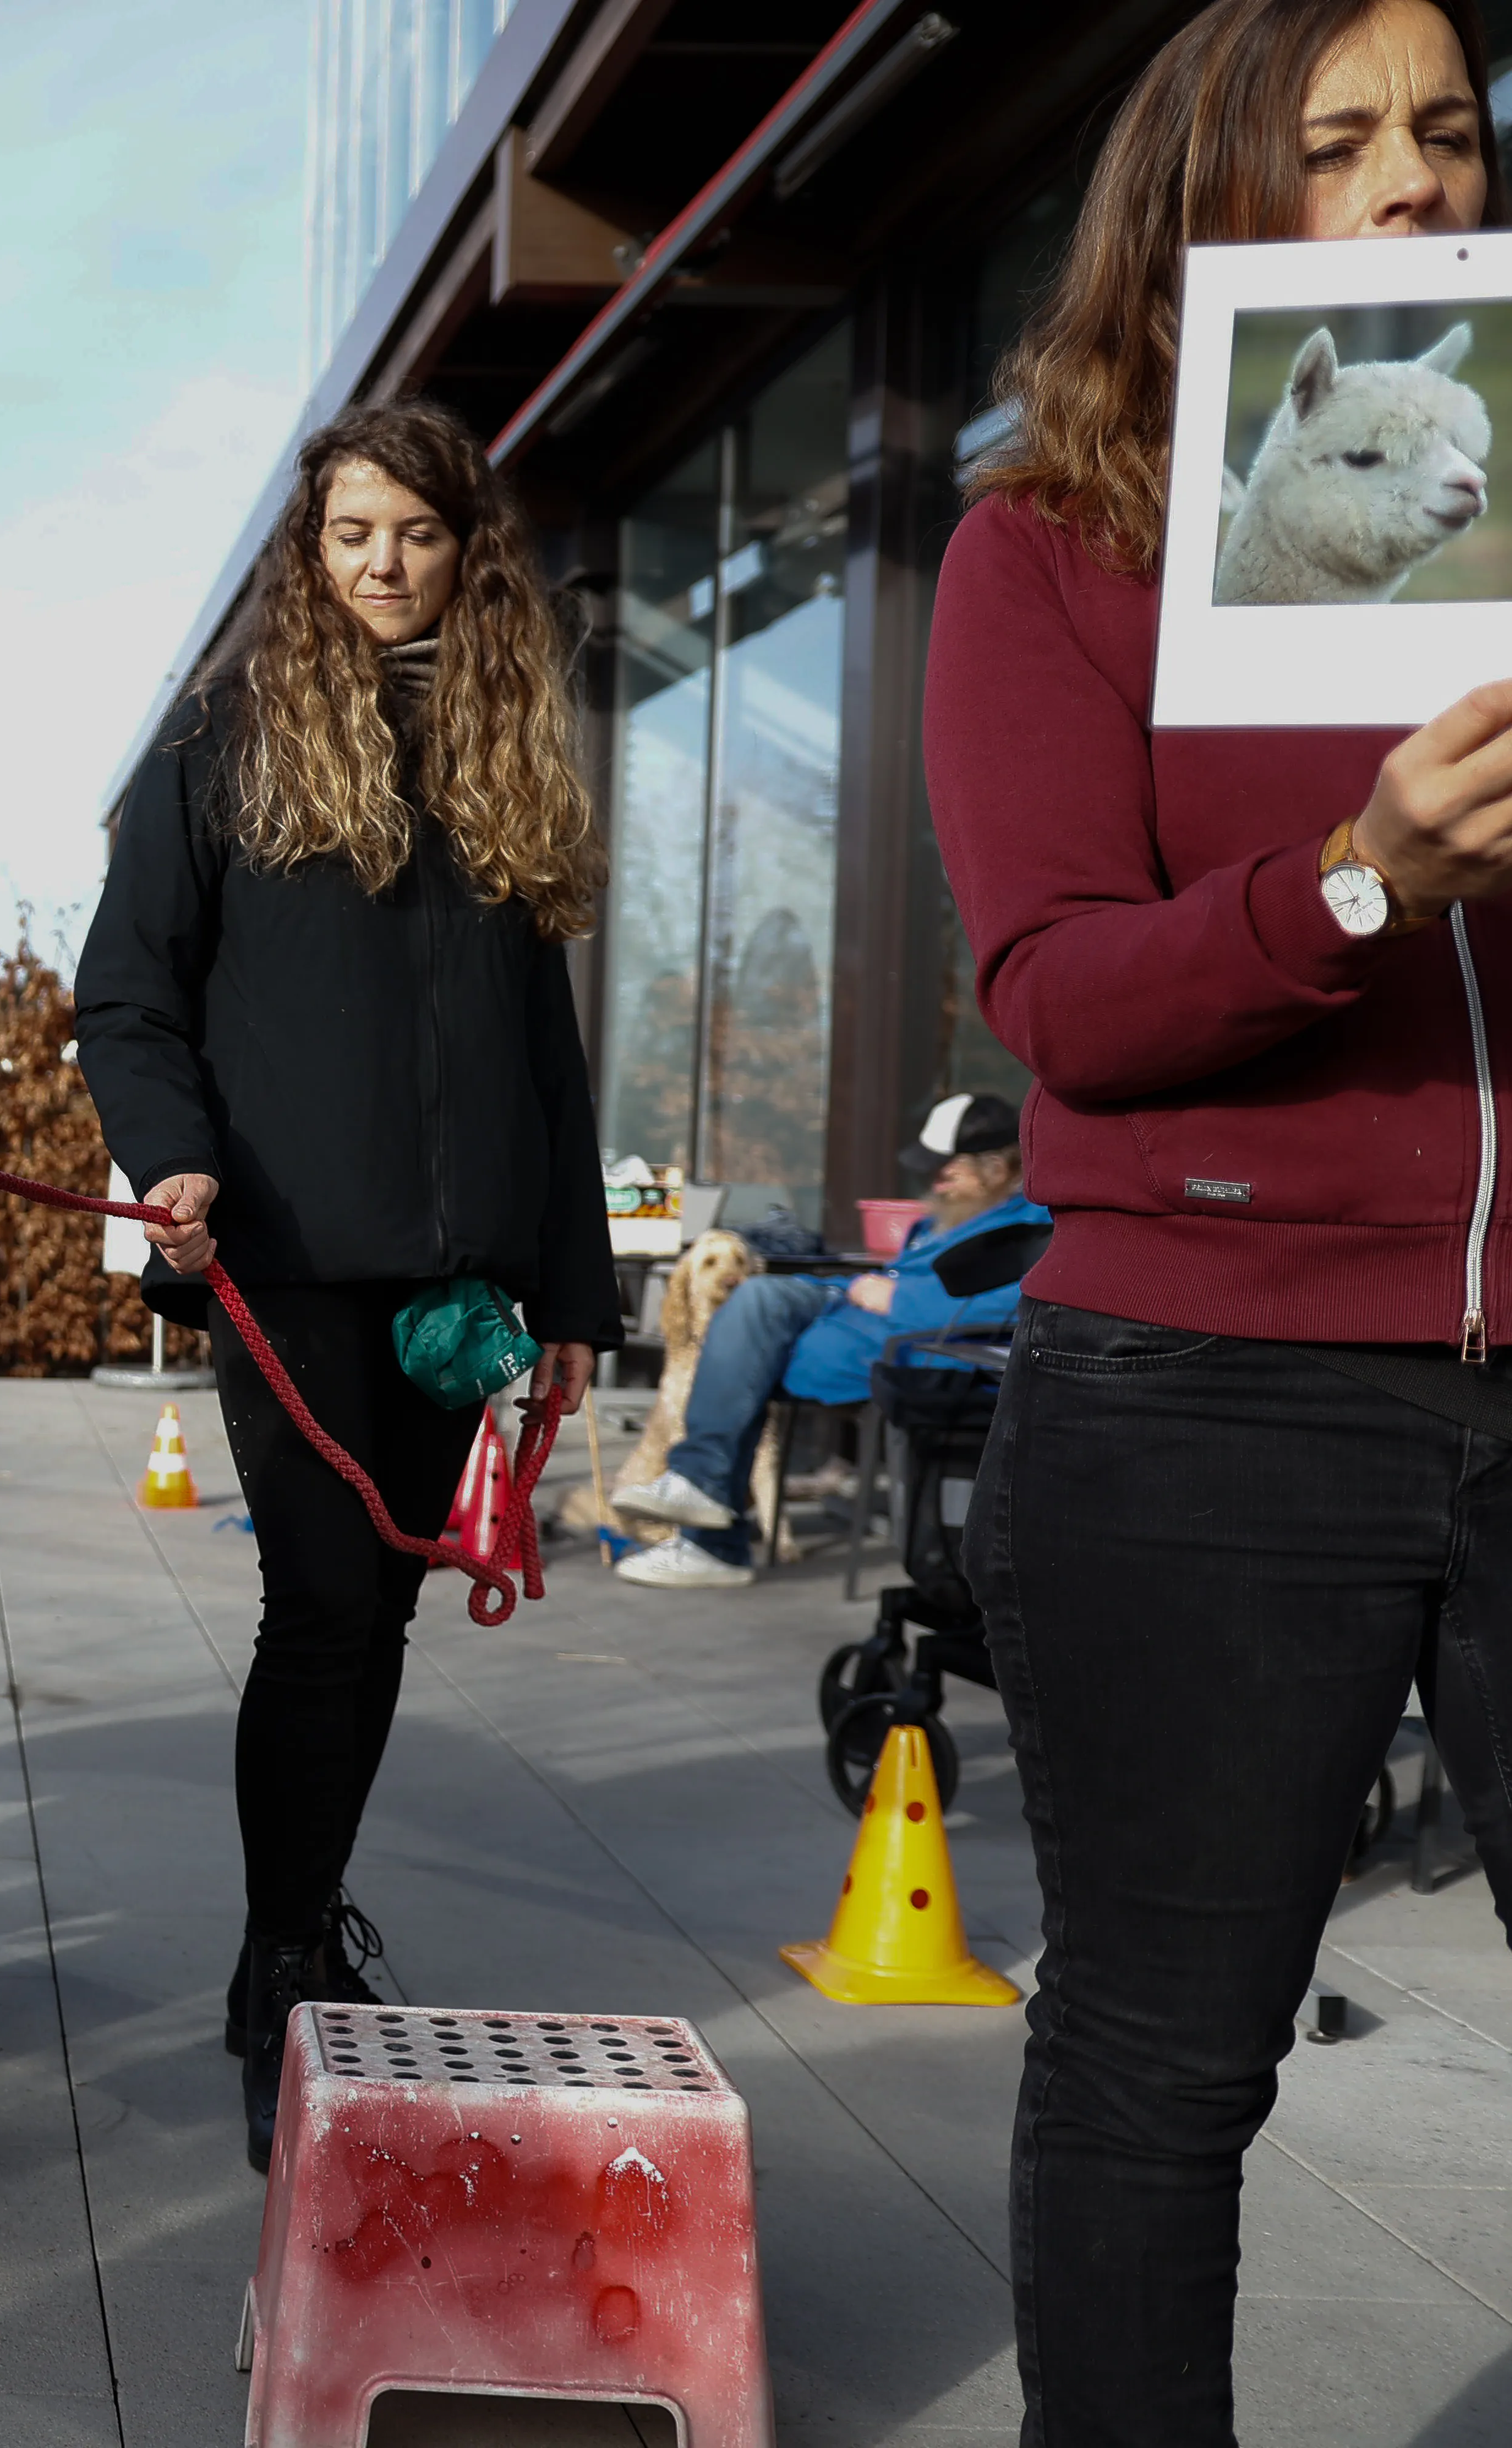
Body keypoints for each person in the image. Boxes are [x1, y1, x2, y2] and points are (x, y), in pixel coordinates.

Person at [927, 1, 1512, 2437]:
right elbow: (1060, 994)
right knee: (1165, 2059)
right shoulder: (1050, 552)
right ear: (1205, 200)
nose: (1412, 182)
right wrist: (1360, 879)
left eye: (1451, 132)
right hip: (1202, 1401)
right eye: (1341, 140)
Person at [75, 397, 622, 2172]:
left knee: (378, 1613)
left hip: (458, 1285)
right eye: (350, 535)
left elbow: (543, 1056)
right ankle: (280, 1970)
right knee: (318, 1604)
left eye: (418, 533)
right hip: (288, 1259)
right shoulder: (221, 740)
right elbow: (126, 994)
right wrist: (170, 1160)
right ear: (307, 553)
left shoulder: (498, 741)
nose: (384, 565)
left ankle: (302, 1921)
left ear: (469, 550)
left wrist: (569, 1292)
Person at [609, 1093, 1048, 1588]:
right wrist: (855, 1290)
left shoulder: (1031, 1226)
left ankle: (708, 1528)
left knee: (749, 1342)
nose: (933, 1179)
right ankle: (700, 1495)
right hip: (852, 1314)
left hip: (914, 1347)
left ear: (996, 1169)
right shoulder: (949, 1217)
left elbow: (1016, 1300)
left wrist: (899, 1299)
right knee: (758, 1301)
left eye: (946, 1169)